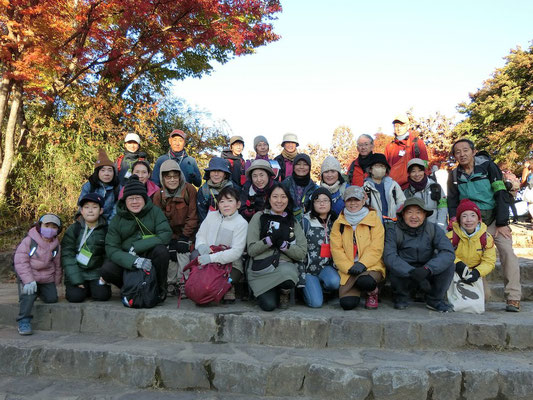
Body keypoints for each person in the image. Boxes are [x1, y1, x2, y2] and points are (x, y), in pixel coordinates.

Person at [448, 138, 521, 312]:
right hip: (469, 222)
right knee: (470, 256)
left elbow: (501, 193)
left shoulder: (489, 167)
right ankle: (481, 294)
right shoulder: (454, 174)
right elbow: (452, 199)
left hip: (494, 219)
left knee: (507, 252)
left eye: (465, 150)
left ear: (473, 152)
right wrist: (452, 219)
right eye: (457, 152)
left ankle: (513, 297)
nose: (462, 154)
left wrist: (502, 223)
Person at [101, 175, 172, 301]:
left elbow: (165, 234)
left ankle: (160, 288)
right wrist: (132, 261)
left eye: (138, 198)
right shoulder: (117, 219)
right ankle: (131, 289)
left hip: (149, 253)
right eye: (131, 199)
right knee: (107, 269)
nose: (135, 202)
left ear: (144, 199)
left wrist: (138, 246)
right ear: (125, 201)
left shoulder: (155, 212)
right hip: (127, 256)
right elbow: (111, 248)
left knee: (161, 252)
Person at [384, 197, 455, 312]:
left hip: (426, 270)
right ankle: (401, 296)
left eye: (418, 212)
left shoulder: (433, 229)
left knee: (449, 265)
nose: (414, 216)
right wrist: (411, 271)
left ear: (425, 215)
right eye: (409, 212)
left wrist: (428, 269)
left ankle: (435, 299)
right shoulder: (393, 230)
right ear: (403, 214)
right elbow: (389, 256)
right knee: (393, 266)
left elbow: (448, 252)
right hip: (405, 273)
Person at [246, 183, 307, 311]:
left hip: (284, 268)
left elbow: (301, 252)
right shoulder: (259, 217)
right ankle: (270, 291)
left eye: (283, 197)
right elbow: (251, 250)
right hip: (262, 269)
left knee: (288, 275)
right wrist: (268, 241)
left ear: (288, 199)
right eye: (275, 196)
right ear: (269, 199)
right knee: (269, 306)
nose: (279, 201)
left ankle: (284, 291)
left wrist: (284, 245)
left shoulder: (292, 221)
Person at [331, 186, 385, 310]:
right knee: (347, 304)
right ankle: (356, 290)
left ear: (363, 200)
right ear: (345, 202)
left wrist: (362, 264)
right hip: (349, 269)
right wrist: (348, 267)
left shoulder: (374, 220)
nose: (353, 203)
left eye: (357, 200)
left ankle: (372, 293)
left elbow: (376, 247)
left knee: (365, 281)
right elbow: (336, 249)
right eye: (349, 200)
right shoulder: (339, 223)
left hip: (370, 266)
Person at [152, 160, 198, 297]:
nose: (172, 180)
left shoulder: (189, 190)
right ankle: (170, 283)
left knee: (183, 253)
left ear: (180, 176)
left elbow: (193, 215)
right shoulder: (158, 195)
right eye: (168, 177)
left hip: (186, 233)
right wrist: (170, 239)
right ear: (163, 178)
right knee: (170, 254)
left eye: (175, 176)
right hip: (169, 234)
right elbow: (159, 220)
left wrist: (185, 237)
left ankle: (183, 282)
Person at [194, 186, 248, 303]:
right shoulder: (211, 216)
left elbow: (236, 252)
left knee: (218, 284)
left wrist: (211, 258)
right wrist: (202, 246)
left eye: (230, 201)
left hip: (230, 265)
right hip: (208, 258)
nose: (226, 205)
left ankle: (228, 287)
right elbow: (200, 235)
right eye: (222, 201)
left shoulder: (241, 223)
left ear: (238, 204)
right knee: (202, 286)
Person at [14, 214, 62, 335]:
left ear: (58, 230)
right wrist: (28, 280)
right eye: (47, 225)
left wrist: (56, 283)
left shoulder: (56, 246)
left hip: (47, 278)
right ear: (40, 226)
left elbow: (57, 265)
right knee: (29, 294)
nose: (50, 229)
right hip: (30, 275)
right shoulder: (29, 241)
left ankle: (39, 291)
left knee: (52, 298)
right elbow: (21, 261)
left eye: (54, 227)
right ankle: (23, 321)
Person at [61, 193, 111, 303]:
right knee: (75, 297)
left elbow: (109, 254)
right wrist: (76, 279)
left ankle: (91, 287)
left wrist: (105, 274)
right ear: (81, 211)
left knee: (102, 296)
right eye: (86, 207)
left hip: (96, 272)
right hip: (77, 270)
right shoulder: (74, 229)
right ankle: (84, 287)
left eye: (94, 207)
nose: (90, 211)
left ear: (101, 210)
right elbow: (67, 255)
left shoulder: (106, 230)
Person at [299, 188, 340, 308]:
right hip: (308, 270)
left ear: (330, 203)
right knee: (316, 303)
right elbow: (299, 249)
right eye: (318, 201)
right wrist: (300, 274)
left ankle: (320, 288)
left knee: (334, 282)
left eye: (325, 200)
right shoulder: (305, 222)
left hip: (325, 267)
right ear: (313, 204)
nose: (322, 203)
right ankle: (307, 290)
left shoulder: (335, 222)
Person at [447, 199, 496, 298]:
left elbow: (489, 261)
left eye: (473, 215)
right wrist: (457, 264)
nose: (469, 220)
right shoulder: (450, 237)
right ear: (459, 220)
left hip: (474, 271)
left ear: (478, 219)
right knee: (450, 296)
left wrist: (477, 272)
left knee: (485, 296)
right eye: (464, 216)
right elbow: (444, 255)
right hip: (454, 270)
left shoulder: (486, 238)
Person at [384, 114, 428, 190]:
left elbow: (425, 164)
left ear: (408, 126)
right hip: (393, 188)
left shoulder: (417, 143)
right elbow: (385, 168)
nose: (398, 128)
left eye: (402, 125)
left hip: (413, 188)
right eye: (396, 126)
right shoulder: (389, 146)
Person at [403, 158, 447, 231]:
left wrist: (440, 225)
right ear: (409, 174)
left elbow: (443, 207)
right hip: (418, 232)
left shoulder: (436, 187)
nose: (417, 174)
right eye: (413, 171)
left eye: (420, 170)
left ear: (424, 171)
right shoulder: (407, 193)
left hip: (438, 229)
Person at [78, 148, 120, 222]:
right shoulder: (89, 186)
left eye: (110, 170)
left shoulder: (118, 187)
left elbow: (116, 210)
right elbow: (81, 206)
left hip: (109, 223)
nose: (106, 173)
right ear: (97, 172)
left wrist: (107, 225)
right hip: (89, 222)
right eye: (103, 170)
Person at [363, 153, 405, 221]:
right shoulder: (365, 187)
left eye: (383, 166)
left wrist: (397, 214)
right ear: (370, 169)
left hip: (392, 224)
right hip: (374, 225)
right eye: (377, 166)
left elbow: (402, 202)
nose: (380, 169)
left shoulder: (393, 185)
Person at [282, 153, 318, 223]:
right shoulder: (285, 184)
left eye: (305, 164)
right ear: (294, 166)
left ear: (309, 167)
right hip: (286, 221)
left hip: (308, 224)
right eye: (298, 164)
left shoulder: (314, 188)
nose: (301, 167)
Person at [197, 157, 233, 224]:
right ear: (209, 173)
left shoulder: (233, 189)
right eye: (213, 171)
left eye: (219, 171)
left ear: (225, 174)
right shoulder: (203, 190)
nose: (216, 174)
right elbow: (201, 214)